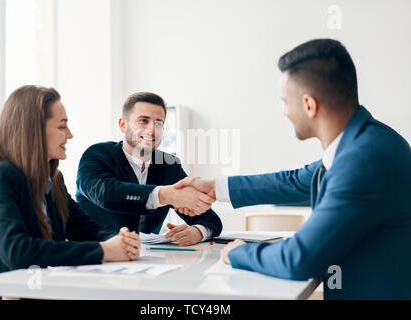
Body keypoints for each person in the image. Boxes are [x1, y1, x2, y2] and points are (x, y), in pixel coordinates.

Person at [174, 39, 411, 299]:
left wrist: (237, 251)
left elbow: (298, 258)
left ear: (309, 105)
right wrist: (214, 187)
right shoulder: (364, 141)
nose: (285, 112)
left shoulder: (364, 160)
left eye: (286, 102)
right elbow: (296, 181)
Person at [0, 85, 141, 300]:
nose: (70, 135)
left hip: (30, 291)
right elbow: (18, 252)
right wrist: (104, 251)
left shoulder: (52, 180)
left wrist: (121, 240)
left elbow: (85, 228)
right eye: (62, 126)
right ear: (34, 130)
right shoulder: (0, 178)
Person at [76, 92, 222, 246]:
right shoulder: (97, 154)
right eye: (143, 121)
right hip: (95, 257)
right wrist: (165, 195)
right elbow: (105, 192)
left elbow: (211, 220)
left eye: (159, 123)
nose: (152, 130)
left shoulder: (168, 164)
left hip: (146, 260)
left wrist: (197, 232)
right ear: (123, 125)